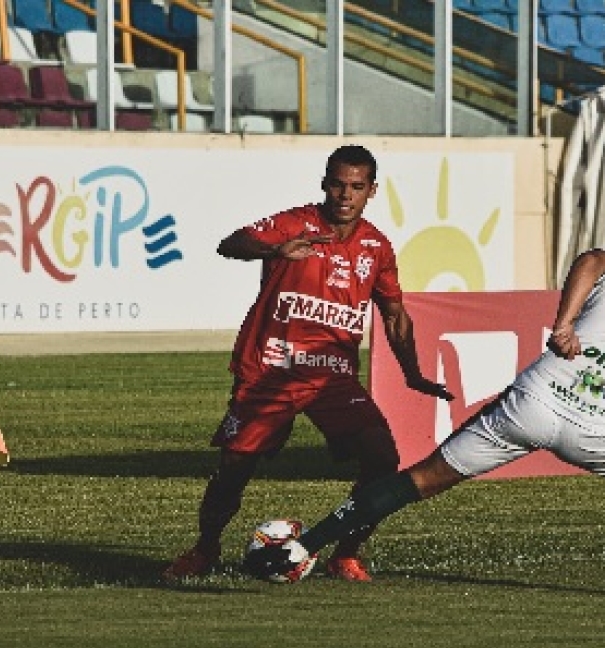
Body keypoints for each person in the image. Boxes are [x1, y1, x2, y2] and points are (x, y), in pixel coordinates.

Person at [250, 224, 605, 600]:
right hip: (602, 428)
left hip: (534, 401)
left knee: (420, 479)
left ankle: (299, 549)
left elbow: (591, 259)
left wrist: (564, 323)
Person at [164, 145, 453, 582]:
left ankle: (346, 553)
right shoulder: (296, 223)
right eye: (338, 184)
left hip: (332, 377)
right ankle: (204, 550)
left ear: (371, 191)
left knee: (382, 460)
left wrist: (412, 373)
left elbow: (394, 313)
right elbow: (231, 244)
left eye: (356, 187)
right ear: (324, 183)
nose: (345, 194)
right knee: (233, 470)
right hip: (271, 369)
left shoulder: (376, 246)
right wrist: (276, 250)